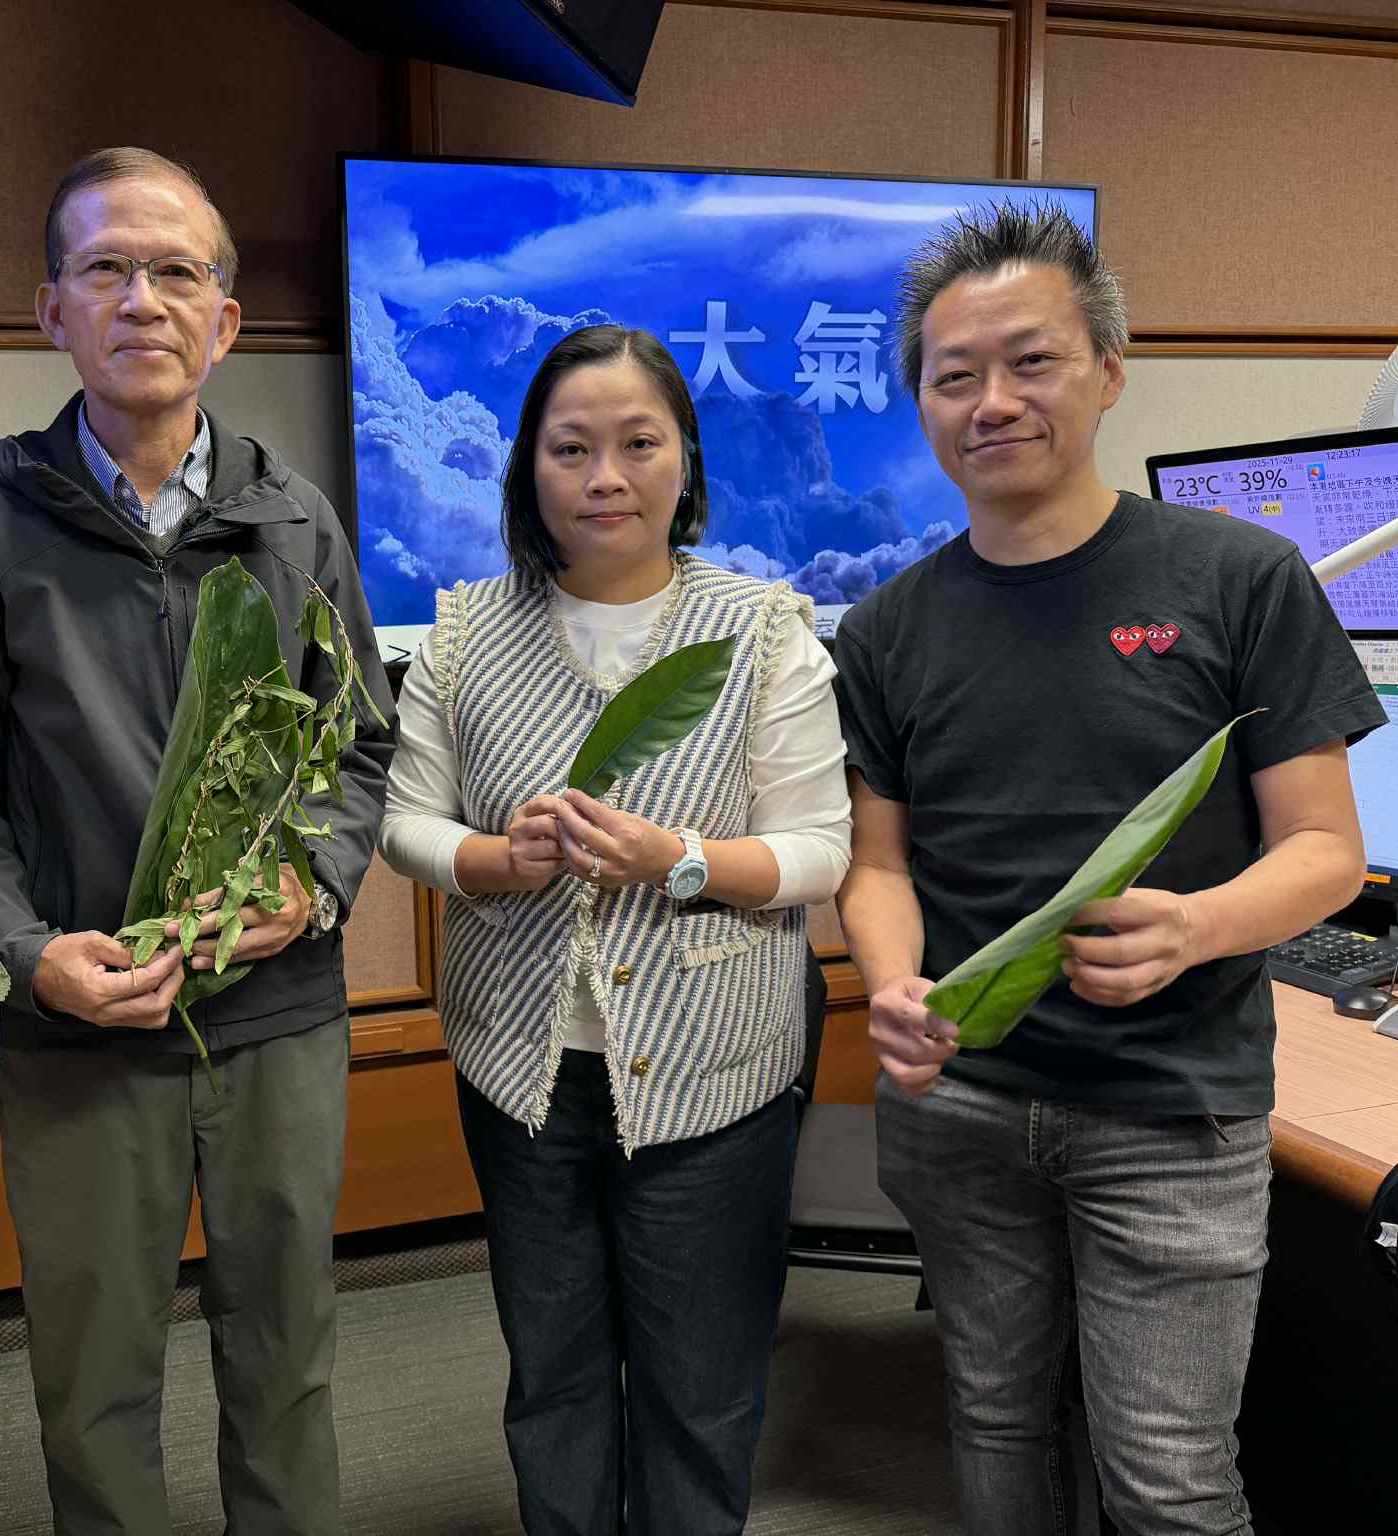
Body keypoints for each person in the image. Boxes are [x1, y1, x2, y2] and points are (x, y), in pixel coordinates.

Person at [832, 204, 1386, 1534]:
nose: (992, 401)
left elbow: (1327, 855)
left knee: (1167, 1481)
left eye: (1032, 361)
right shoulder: (889, 626)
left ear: (1109, 370)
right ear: (920, 400)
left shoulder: (1241, 578)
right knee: (997, 1421)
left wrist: (1194, 927)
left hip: (1171, 1110)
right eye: (953, 375)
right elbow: (877, 865)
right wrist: (896, 985)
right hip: (961, 1111)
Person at [0, 147, 393, 1536]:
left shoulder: (293, 518)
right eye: (106, 268)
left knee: (285, 1359)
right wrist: (28, 954)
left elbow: (355, 743)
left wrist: (315, 879)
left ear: (225, 319)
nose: (144, 299)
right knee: (92, 1377)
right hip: (80, 1021)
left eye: (179, 271)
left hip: (278, 1012)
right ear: (51, 308)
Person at [377, 324, 852, 1534]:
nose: (605, 477)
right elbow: (404, 824)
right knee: (554, 1371)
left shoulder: (762, 631)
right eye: (570, 448)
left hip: (715, 1069)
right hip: (520, 1068)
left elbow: (818, 850)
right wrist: (494, 857)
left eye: (638, 444)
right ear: (526, 470)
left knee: (700, 1385)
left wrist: (677, 858)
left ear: (683, 461)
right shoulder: (463, 631)